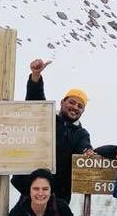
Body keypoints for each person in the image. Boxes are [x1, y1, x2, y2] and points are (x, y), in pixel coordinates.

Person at [11, 58, 94, 203]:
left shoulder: (81, 134)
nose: (75, 107)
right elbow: (35, 101)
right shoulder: (46, 117)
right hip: (31, 190)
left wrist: (87, 152)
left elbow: (84, 149)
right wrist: (36, 75)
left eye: (80, 106)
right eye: (72, 102)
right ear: (62, 102)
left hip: (59, 197)